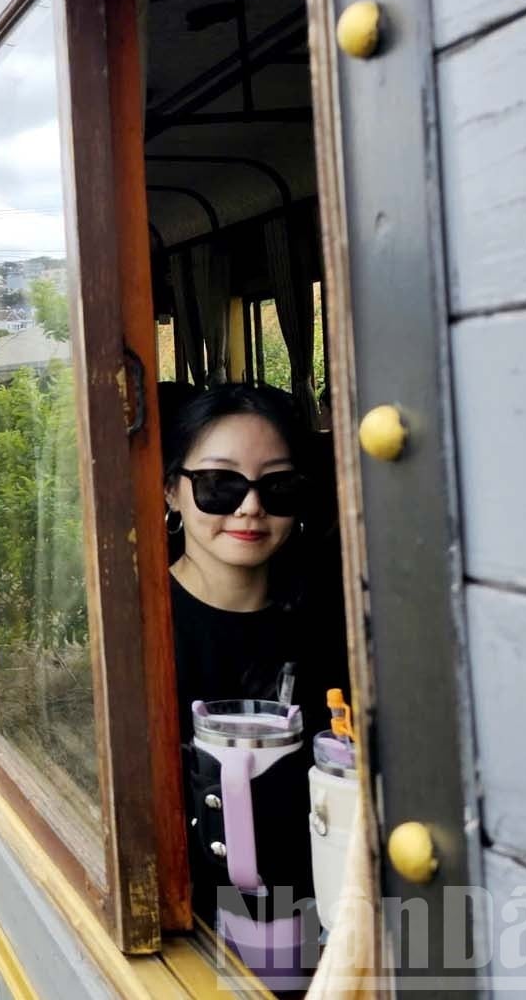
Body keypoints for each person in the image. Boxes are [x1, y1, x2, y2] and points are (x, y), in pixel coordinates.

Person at [164, 382, 349, 986]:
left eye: (278, 487)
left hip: (322, 920)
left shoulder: (334, 624)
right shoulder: (137, 632)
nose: (250, 509)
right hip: (179, 932)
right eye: (220, 486)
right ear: (173, 490)